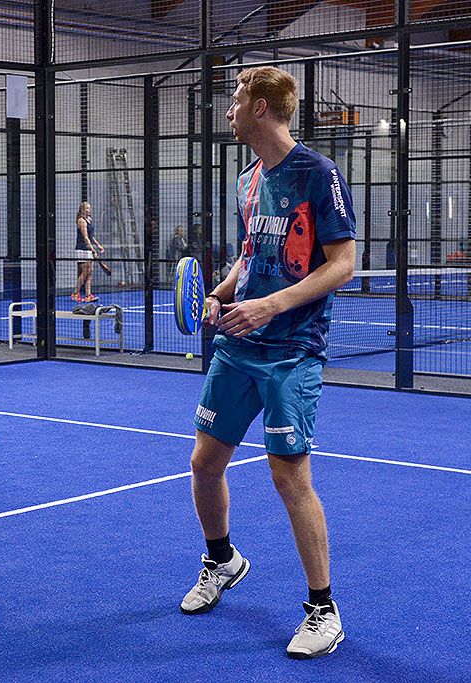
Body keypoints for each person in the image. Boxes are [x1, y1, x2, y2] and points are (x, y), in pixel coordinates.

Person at [180, 66, 356, 659]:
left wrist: (269, 306)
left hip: (292, 350)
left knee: (288, 476)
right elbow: (251, 252)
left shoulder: (317, 173)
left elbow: (342, 264)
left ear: (259, 106)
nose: (227, 111)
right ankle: (221, 559)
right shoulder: (247, 179)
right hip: (239, 344)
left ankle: (322, 610)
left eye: (234, 101)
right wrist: (226, 292)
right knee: (205, 463)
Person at [73, 201, 103, 302]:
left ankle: (88, 295)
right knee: (85, 272)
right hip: (82, 249)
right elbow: (85, 237)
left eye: (89, 208)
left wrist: (98, 244)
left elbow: (90, 236)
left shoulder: (89, 219)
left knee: (89, 272)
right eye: (87, 208)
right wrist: (93, 250)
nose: (89, 210)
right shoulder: (81, 221)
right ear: (82, 210)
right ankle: (75, 293)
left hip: (88, 248)